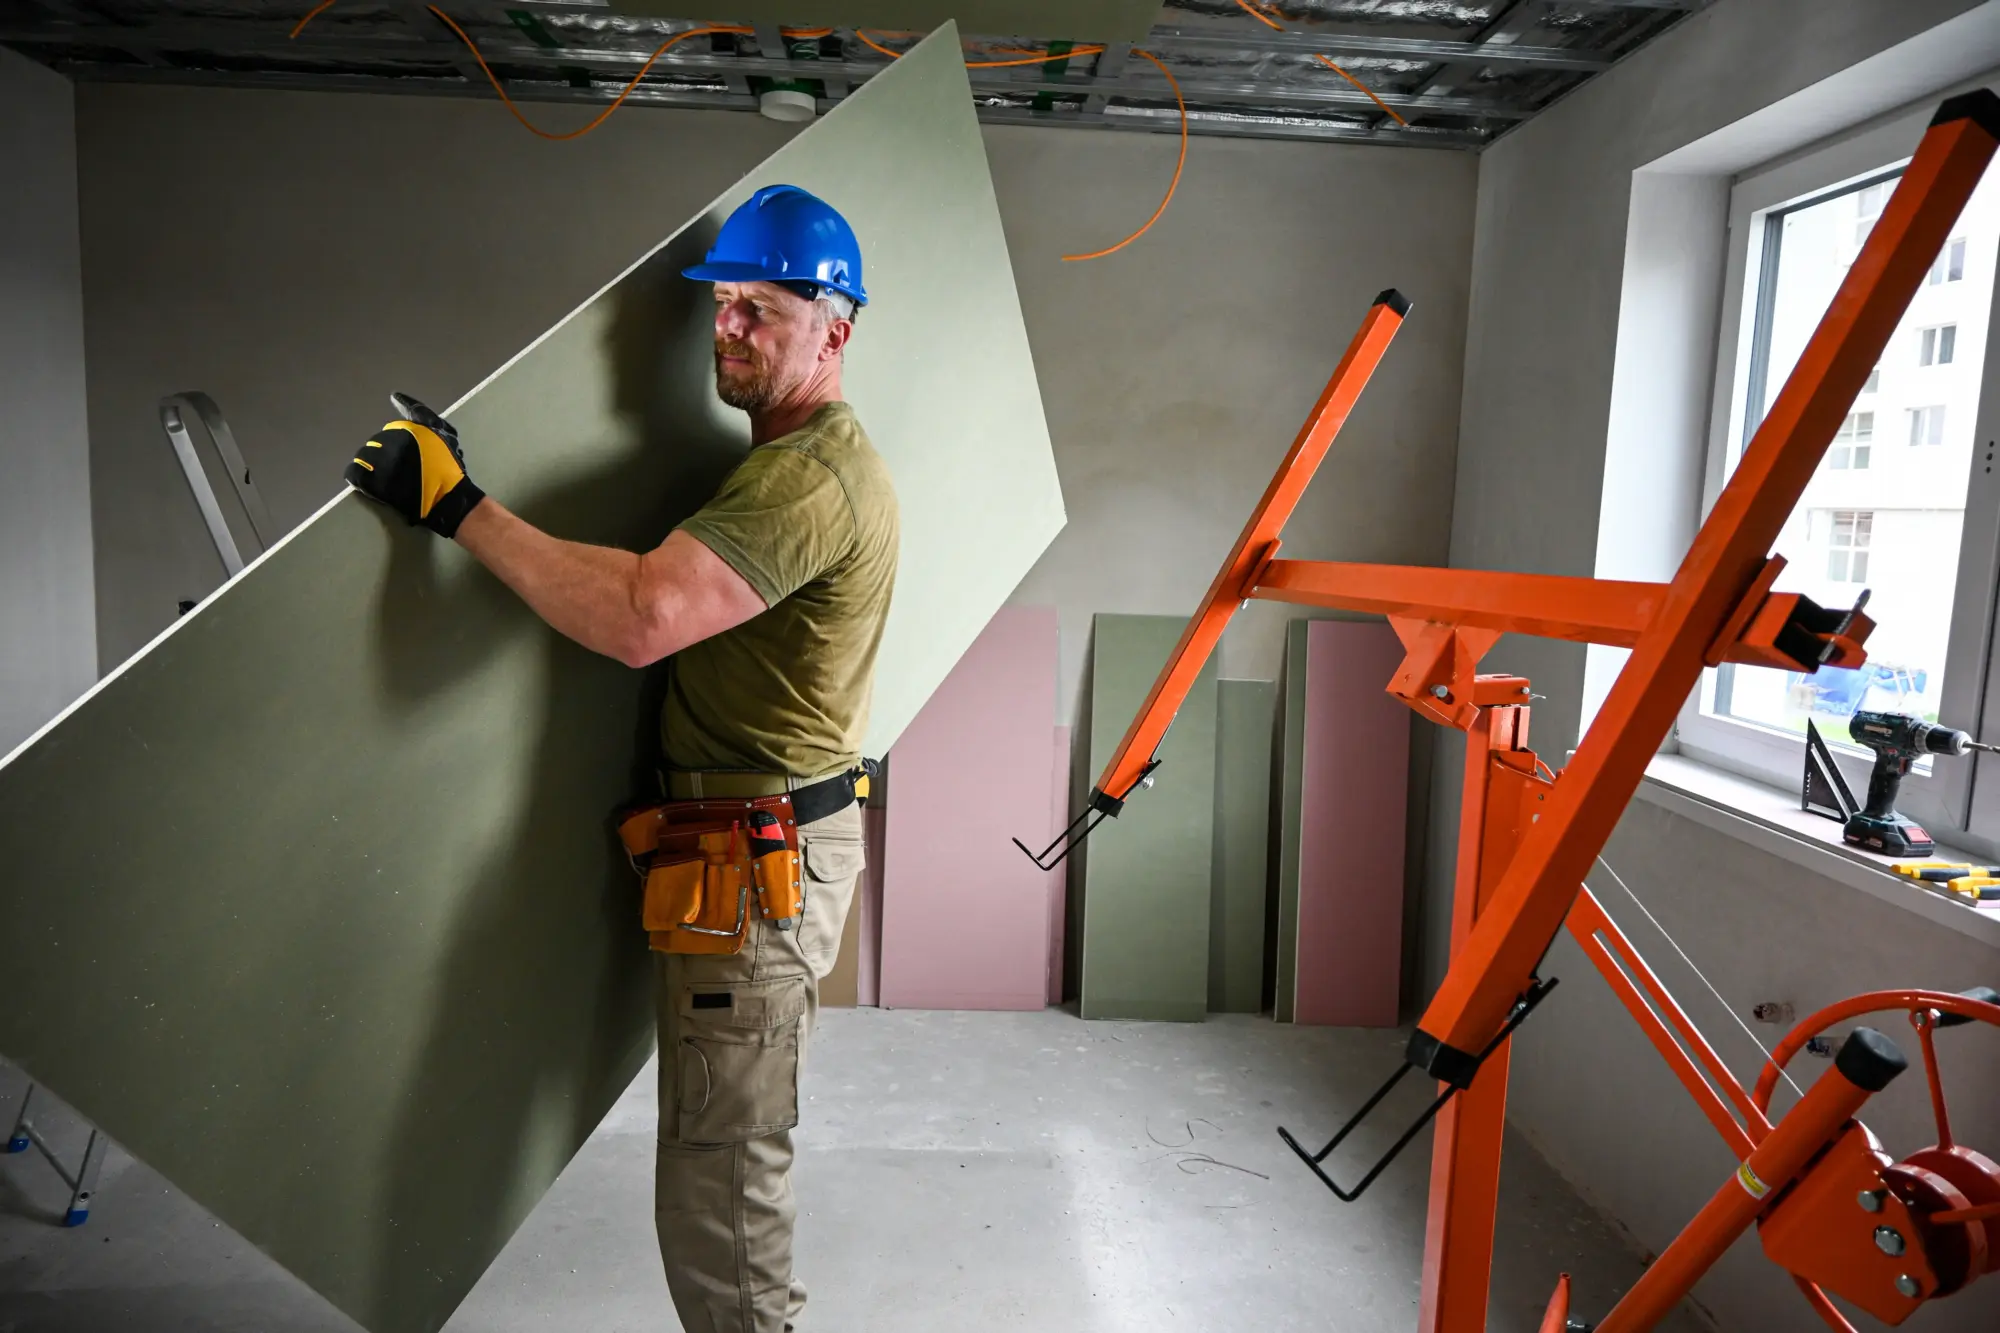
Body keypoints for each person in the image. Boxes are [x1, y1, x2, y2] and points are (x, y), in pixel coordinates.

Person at [342, 183, 898, 1333]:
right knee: (712, 1170)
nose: (731, 330)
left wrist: (458, 508)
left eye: (765, 311)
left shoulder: (808, 479)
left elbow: (645, 612)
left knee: (724, 1188)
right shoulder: (783, 461)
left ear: (833, 329)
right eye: (725, 305)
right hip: (731, 855)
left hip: (759, 874)